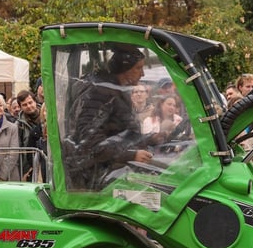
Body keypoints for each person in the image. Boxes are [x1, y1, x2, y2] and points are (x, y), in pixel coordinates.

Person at [67, 45, 153, 190]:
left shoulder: (116, 91)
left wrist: (153, 138)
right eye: (138, 68)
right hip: (97, 179)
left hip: (112, 173)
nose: (143, 74)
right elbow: (90, 143)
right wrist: (130, 155)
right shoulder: (101, 93)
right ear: (124, 68)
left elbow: (120, 133)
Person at [15, 89, 46, 181]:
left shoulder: (46, 114)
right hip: (28, 169)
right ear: (20, 107)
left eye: (30, 102)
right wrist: (25, 171)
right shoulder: (19, 125)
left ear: (35, 101)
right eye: (24, 104)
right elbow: (19, 151)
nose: (29, 106)